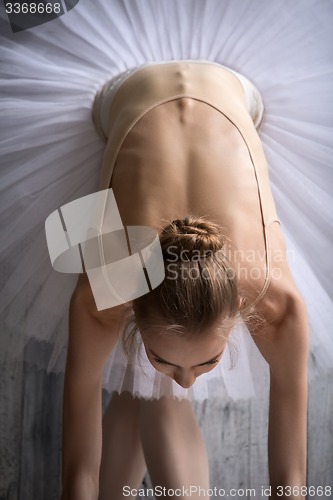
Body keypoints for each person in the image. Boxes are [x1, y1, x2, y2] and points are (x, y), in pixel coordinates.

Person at [61, 61, 309, 500]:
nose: (187, 382)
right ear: (129, 304)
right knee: (151, 389)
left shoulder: (279, 303)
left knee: (149, 386)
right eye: (166, 360)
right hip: (126, 92)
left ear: (237, 308)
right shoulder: (102, 288)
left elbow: (291, 484)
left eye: (208, 362)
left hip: (234, 92)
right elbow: (77, 470)